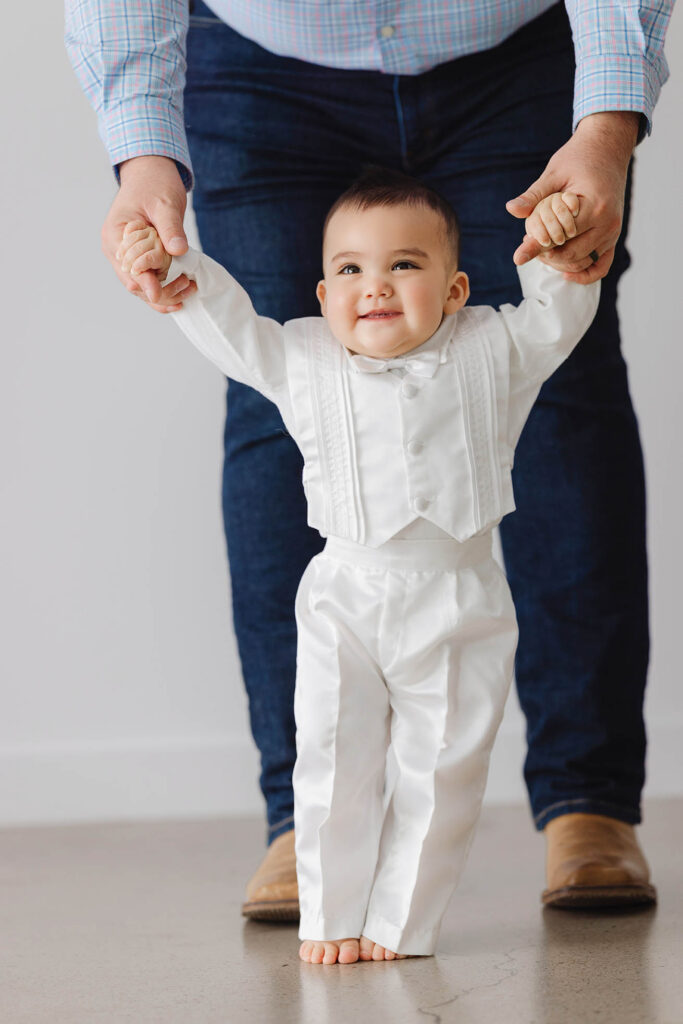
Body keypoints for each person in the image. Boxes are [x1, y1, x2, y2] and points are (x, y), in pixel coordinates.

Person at [65, 0, 673, 917]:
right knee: (275, 418)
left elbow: (554, 314)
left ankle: (588, 801)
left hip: (511, 55)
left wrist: (605, 127)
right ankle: (301, 826)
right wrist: (145, 153)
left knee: (564, 403)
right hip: (263, 67)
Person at [115, 170, 604, 963]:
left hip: (459, 595)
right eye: (350, 269)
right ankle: (331, 913)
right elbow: (230, 325)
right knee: (333, 757)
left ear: (454, 289)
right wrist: (177, 269)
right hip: (344, 595)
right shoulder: (299, 358)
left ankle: (402, 924)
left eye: (404, 265)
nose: (374, 285)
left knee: (442, 767)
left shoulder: (496, 349)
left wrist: (553, 234)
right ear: (321, 290)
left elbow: (559, 313)